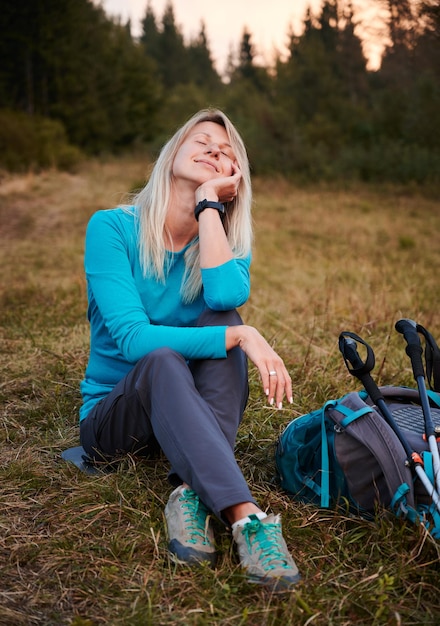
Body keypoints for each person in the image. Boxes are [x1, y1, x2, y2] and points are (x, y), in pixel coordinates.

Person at [79, 108, 301, 590]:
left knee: (224, 317)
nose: (212, 151)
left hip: (183, 413)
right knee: (164, 357)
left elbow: (223, 299)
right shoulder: (111, 229)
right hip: (115, 418)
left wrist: (208, 208)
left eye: (225, 152)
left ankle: (188, 494)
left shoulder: (223, 240)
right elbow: (135, 341)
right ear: (173, 153)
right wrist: (241, 338)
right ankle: (246, 518)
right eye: (201, 141)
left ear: (233, 178)